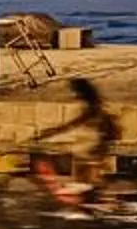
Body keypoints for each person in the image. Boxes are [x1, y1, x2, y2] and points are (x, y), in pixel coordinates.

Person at [36, 73, 121, 203]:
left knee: (80, 167)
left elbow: (75, 123)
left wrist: (52, 132)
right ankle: (90, 197)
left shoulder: (90, 107)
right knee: (82, 173)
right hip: (94, 141)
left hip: (94, 143)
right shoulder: (93, 103)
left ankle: (93, 199)